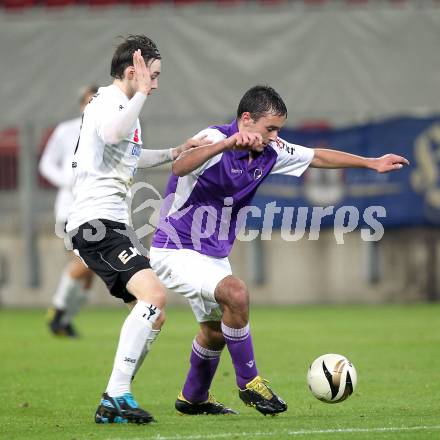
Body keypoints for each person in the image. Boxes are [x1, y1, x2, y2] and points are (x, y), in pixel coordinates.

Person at [149, 85, 409, 416]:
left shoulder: (271, 150)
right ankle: (249, 383)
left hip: (213, 255)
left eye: (278, 130)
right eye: (270, 128)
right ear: (246, 119)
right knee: (236, 293)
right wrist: (227, 144)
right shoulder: (214, 136)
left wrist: (371, 163)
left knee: (215, 330)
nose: (275, 136)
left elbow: (316, 156)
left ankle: (193, 398)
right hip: (175, 248)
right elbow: (179, 166)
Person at [65, 35, 207, 424]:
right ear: (134, 72)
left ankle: (114, 397)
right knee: (155, 296)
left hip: (113, 225)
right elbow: (113, 134)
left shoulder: (124, 108)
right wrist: (142, 94)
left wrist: (176, 152)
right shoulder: (107, 102)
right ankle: (116, 395)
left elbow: (128, 154)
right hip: (96, 223)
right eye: (152, 76)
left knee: (153, 315)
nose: (155, 84)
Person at [40, 85, 99, 338]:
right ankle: (57, 309)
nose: (92, 106)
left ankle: (64, 320)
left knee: (91, 272)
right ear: (81, 105)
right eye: (89, 102)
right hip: (71, 209)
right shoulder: (66, 131)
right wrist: (67, 180)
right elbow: (45, 164)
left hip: (97, 208)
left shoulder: (108, 132)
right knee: (85, 260)